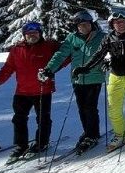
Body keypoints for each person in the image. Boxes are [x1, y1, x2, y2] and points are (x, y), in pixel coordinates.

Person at [75, 11, 125, 151]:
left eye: (122, 22)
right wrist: (85, 67)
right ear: (112, 24)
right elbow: (99, 54)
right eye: (116, 22)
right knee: (113, 109)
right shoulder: (109, 38)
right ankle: (121, 133)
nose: (120, 25)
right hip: (115, 76)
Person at [40, 11, 106, 154]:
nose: (83, 27)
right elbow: (60, 55)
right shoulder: (72, 38)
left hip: (94, 77)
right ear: (76, 26)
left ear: (91, 24)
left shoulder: (101, 37)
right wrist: (49, 69)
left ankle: (92, 134)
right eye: (80, 25)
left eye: (86, 24)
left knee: (90, 107)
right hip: (77, 78)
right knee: (82, 108)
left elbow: (109, 53)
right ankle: (88, 131)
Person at [0, 22, 60, 161]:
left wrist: (53, 69)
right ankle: (20, 145)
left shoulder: (49, 46)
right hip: (22, 92)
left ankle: (42, 143)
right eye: (29, 34)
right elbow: (8, 68)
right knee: (19, 119)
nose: (32, 36)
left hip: (43, 90)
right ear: (24, 35)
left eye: (35, 33)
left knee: (43, 119)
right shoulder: (16, 49)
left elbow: (65, 56)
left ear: (40, 33)